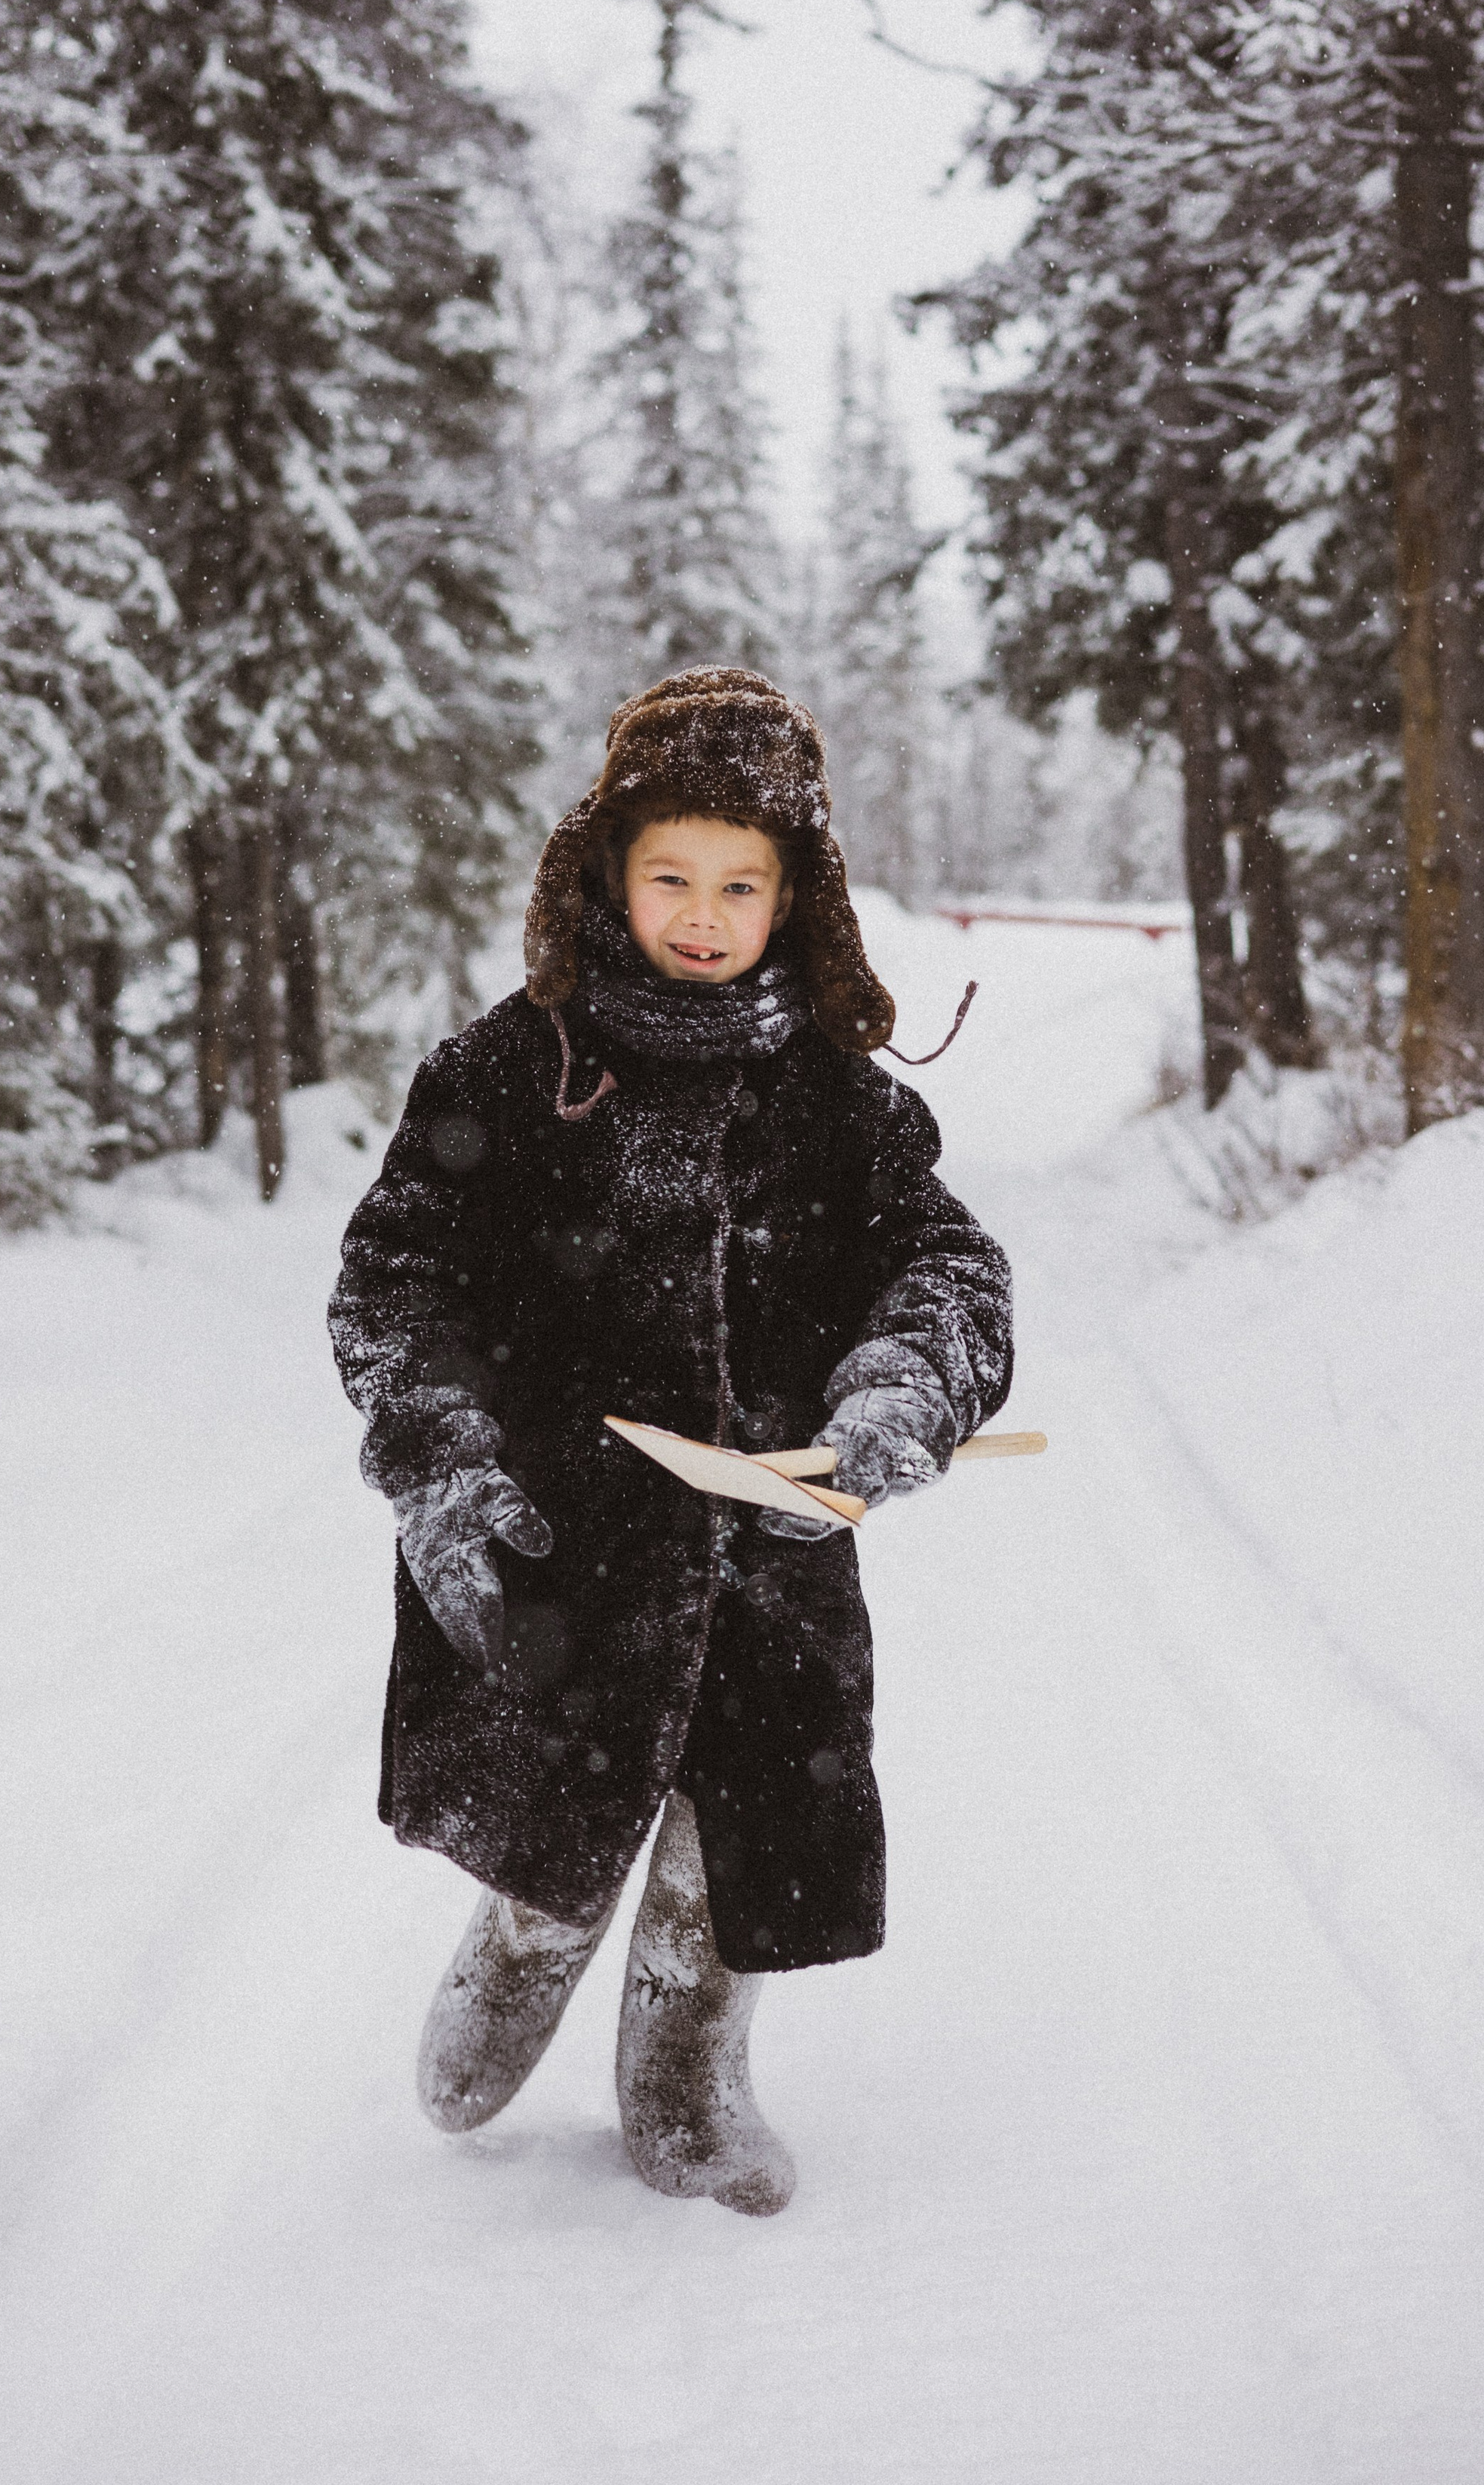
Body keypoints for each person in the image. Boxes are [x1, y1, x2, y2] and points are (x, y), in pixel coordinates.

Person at [327, 666, 1012, 2215]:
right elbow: (399, 1276)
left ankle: (686, 2072)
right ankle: (519, 1945)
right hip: (557, 1532)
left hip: (772, 1541)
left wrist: (902, 1387)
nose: (700, 916)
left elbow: (945, 1268)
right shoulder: (511, 1072)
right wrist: (440, 1453)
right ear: (606, 876)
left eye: (738, 885)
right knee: (559, 1800)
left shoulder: (836, 1102)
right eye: (668, 879)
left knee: (736, 1833)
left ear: (793, 900)